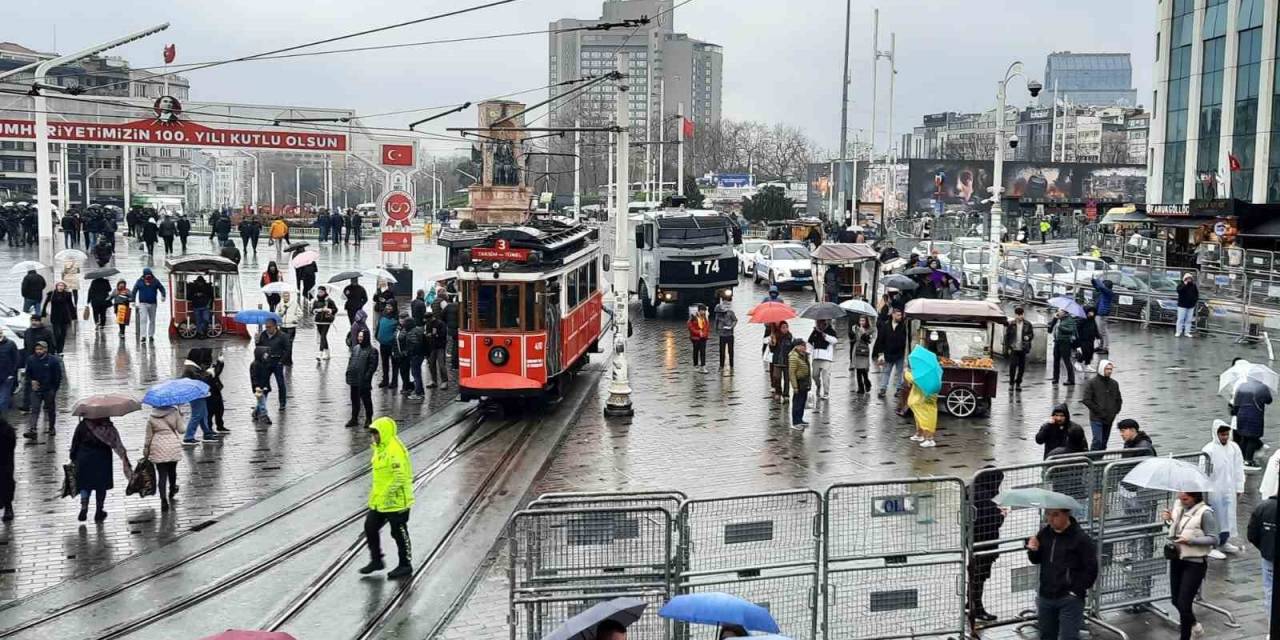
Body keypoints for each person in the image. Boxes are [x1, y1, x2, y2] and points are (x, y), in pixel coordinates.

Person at [1027, 507, 1098, 640]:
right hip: (1046, 595)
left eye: (1055, 515)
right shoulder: (1044, 534)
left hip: (1069, 598)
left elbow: (1091, 569)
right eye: (1048, 514)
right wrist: (1033, 549)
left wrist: (1076, 590)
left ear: (1066, 515)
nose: (1050, 519)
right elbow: (1035, 560)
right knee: (1046, 635)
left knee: (1068, 636)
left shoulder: (1081, 539)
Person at [359, 416, 413, 579]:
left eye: (375, 433)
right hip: (380, 501)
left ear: (383, 433)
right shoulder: (380, 447)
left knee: (399, 532)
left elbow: (401, 477)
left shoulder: (394, 450)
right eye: (372, 434)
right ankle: (376, 560)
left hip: (396, 501)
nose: (373, 437)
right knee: (370, 527)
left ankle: (405, 565)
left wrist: (388, 493)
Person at [1162, 492, 1219, 640]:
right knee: (1176, 600)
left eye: (1185, 499)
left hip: (1195, 562)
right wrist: (1168, 521)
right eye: (1180, 498)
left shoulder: (1205, 513)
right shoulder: (1178, 507)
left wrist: (1191, 540)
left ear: (1195, 497)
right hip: (1177, 559)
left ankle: (1185, 637)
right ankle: (1195, 626)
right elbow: (1177, 529)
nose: (1182, 501)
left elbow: (1214, 539)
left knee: (1184, 602)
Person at [70, 417, 131, 523]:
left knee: (85, 484)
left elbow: (75, 442)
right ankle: (99, 510)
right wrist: (124, 457)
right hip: (102, 458)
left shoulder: (83, 425)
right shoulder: (108, 427)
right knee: (100, 485)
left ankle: (84, 506)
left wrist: (73, 456)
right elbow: (116, 442)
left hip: (84, 458)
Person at [1201, 419, 1246, 560]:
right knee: (1214, 519)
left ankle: (1224, 542)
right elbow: (1203, 472)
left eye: (1227, 434)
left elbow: (1239, 468)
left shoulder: (1234, 448)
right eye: (1222, 435)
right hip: (1214, 491)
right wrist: (1204, 493)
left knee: (1227, 518)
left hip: (1229, 490)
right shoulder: (1208, 450)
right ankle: (1211, 546)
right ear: (1216, 434)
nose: (1225, 437)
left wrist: (1239, 487)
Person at [968, 467, 1006, 625]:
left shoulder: (971, 490)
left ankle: (971, 602)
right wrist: (1001, 515)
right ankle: (977, 607)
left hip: (972, 540)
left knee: (974, 573)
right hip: (984, 542)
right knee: (980, 575)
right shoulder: (984, 498)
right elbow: (991, 521)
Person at [143, 405, 183, 511]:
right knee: (172, 470)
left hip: (158, 446)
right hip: (172, 445)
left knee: (162, 475)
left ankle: (163, 500)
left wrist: (146, 450)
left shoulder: (152, 417)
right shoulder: (174, 412)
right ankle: (172, 488)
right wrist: (180, 417)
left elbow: (148, 437)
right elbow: (182, 430)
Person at [1246, 485, 1277, 619]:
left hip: (1269, 556)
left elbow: (1252, 535)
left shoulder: (1263, 507)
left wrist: (1265, 547)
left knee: (1270, 591)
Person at [22, 341, 61, 439]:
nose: (38, 351)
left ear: (46, 349)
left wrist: (54, 389)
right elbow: (28, 374)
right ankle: (33, 429)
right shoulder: (31, 359)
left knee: (51, 409)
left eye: (41, 349)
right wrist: (32, 381)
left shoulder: (53, 361)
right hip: (36, 389)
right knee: (34, 409)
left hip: (49, 389)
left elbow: (58, 376)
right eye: (37, 349)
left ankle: (52, 427)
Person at [1232, 376, 1272, 469]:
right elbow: (1269, 400)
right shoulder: (1262, 387)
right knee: (1253, 438)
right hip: (1255, 415)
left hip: (1242, 414)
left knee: (1244, 438)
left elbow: (1236, 402)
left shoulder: (1242, 386)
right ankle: (1248, 461)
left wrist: (1236, 412)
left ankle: (1241, 459)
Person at [1081, 360, 1121, 450]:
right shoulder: (1092, 383)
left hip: (1109, 418)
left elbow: (1118, 399)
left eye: (1111, 369)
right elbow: (1086, 400)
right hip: (1097, 418)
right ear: (1102, 369)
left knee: (1104, 442)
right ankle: (1092, 460)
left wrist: (1115, 411)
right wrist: (1099, 411)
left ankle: (1100, 461)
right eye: (1107, 369)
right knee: (1097, 441)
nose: (1109, 371)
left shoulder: (1114, 383)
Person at [180, 359, 218, 446]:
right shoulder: (191, 368)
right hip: (195, 394)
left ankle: (207, 433)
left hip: (199, 393)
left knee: (203, 413)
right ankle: (188, 437)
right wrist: (209, 373)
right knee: (197, 415)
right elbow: (200, 379)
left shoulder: (192, 367)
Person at [873, 304, 907, 398]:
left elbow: (905, 340)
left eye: (901, 315)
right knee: (886, 372)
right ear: (893, 315)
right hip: (888, 353)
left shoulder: (903, 326)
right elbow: (881, 340)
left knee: (899, 372)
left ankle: (899, 389)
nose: (900, 317)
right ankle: (883, 389)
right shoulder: (885, 326)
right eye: (898, 315)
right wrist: (881, 353)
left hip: (899, 354)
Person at [256, 319, 291, 410]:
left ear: (275, 326)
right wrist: (257, 341)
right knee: (263, 384)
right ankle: (261, 404)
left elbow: (288, 350)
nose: (267, 329)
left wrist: (281, 361)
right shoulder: (263, 335)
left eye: (269, 327)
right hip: (266, 362)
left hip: (277, 362)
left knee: (280, 383)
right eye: (266, 327)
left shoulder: (282, 336)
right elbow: (259, 348)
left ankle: (282, 403)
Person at [346, 330, 378, 427]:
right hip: (354, 379)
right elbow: (351, 361)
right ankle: (354, 418)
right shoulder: (356, 348)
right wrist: (348, 372)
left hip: (363, 380)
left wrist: (367, 376)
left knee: (366, 400)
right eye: (359, 336)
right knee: (354, 399)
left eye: (362, 337)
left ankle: (368, 418)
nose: (360, 338)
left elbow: (373, 366)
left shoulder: (372, 350)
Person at [905, 365, 939, 448]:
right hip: (919, 402)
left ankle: (929, 439)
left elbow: (914, 380)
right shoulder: (931, 373)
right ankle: (920, 434)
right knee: (919, 418)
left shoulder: (926, 376)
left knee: (925, 419)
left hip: (924, 402)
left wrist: (906, 372)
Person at [130, 267, 166, 343]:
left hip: (153, 303)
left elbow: (162, 288)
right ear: (144, 275)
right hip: (143, 303)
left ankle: (151, 335)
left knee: (152, 320)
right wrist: (132, 300)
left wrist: (163, 295)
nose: (148, 277)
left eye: (149, 275)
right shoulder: (139, 281)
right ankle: (143, 336)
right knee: (143, 319)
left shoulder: (155, 281)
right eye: (146, 275)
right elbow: (134, 291)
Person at [40, 281, 76, 355]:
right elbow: (45, 304)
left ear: (64, 287)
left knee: (63, 334)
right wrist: (43, 314)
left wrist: (73, 316)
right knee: (57, 334)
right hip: (55, 316)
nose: (60, 287)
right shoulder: (52, 294)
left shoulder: (67, 294)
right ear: (56, 286)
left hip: (65, 317)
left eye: (62, 285)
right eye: (59, 285)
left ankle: (60, 350)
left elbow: (71, 305)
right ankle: (55, 348)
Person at [1004, 306, 1034, 391]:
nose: (1020, 316)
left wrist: (1028, 337)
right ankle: (1011, 383)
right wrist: (1007, 348)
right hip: (1014, 348)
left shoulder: (1028, 324)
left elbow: (1031, 335)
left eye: (1021, 314)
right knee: (1012, 367)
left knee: (1021, 367)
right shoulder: (1011, 324)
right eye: (1018, 315)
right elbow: (1007, 337)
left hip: (1023, 348)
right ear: (1015, 315)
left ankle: (1018, 383)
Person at [1047, 309, 1078, 386]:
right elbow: (1049, 330)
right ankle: (1055, 378)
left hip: (1065, 342)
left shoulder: (1069, 320)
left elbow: (1071, 330)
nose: (1058, 312)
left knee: (1066, 360)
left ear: (1065, 313)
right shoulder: (1057, 319)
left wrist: (1060, 327)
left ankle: (1071, 379)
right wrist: (1054, 320)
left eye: (1060, 311)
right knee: (1056, 360)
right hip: (1057, 341)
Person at [808, 319, 837, 400]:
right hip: (816, 357)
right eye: (817, 322)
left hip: (826, 358)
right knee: (814, 375)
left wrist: (826, 336)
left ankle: (826, 393)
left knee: (826, 377)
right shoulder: (815, 331)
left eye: (820, 322)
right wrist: (807, 352)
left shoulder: (830, 330)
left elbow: (835, 341)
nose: (819, 324)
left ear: (825, 322)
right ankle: (818, 385)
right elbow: (810, 342)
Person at [788, 339, 811, 430]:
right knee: (797, 402)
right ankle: (795, 422)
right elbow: (792, 373)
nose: (804, 347)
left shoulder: (803, 355)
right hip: (799, 381)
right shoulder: (794, 357)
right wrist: (795, 387)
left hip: (804, 381)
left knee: (802, 402)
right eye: (802, 346)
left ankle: (800, 419)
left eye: (804, 346)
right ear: (797, 346)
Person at [376, 303, 399, 389]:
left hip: (393, 346)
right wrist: (377, 336)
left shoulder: (396, 317)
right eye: (387, 306)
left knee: (394, 364)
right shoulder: (383, 315)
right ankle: (385, 380)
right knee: (384, 363)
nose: (388, 307)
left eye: (390, 306)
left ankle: (394, 381)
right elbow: (378, 327)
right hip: (383, 345)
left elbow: (398, 331)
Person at [849, 315, 875, 394]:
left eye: (863, 321)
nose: (861, 322)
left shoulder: (870, 329)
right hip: (856, 349)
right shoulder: (856, 328)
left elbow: (869, 341)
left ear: (866, 321)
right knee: (858, 369)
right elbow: (852, 339)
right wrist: (852, 332)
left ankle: (867, 383)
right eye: (860, 321)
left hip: (864, 350)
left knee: (864, 369)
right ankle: (861, 388)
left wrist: (864, 333)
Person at [769, 322, 794, 401]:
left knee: (787, 379)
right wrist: (772, 343)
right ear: (780, 328)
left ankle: (786, 394)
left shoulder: (790, 337)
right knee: (777, 378)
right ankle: (778, 392)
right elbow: (772, 350)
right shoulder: (775, 336)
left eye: (786, 327)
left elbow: (792, 349)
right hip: (777, 361)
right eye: (783, 327)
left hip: (787, 362)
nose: (785, 329)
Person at [713, 292, 737, 373]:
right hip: (722, 335)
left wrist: (731, 326)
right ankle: (721, 366)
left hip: (730, 334)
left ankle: (732, 365)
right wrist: (716, 330)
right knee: (721, 351)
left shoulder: (730, 312)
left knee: (731, 351)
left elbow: (735, 320)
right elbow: (716, 322)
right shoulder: (718, 315)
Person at [249, 347, 274, 425]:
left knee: (262, 401)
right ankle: (264, 416)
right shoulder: (255, 365)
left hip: (265, 386)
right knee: (262, 402)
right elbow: (254, 377)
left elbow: (268, 374)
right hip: (259, 388)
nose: (266, 355)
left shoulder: (266, 363)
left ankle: (255, 412)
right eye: (265, 354)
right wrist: (256, 386)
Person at [425, 309, 449, 388]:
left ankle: (444, 381)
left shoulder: (440, 324)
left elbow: (443, 334)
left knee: (441, 365)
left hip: (440, 347)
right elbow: (428, 333)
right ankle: (433, 380)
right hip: (432, 347)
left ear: (431, 318)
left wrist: (434, 335)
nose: (427, 321)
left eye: (428, 319)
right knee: (431, 364)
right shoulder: (428, 324)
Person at [313, 286, 338, 361]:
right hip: (318, 321)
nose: (320, 293)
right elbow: (312, 310)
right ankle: (328, 353)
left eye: (321, 292)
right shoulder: (316, 300)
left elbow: (335, 309)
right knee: (323, 337)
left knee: (323, 336)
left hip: (326, 321)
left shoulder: (329, 300)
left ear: (324, 292)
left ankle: (320, 353)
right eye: (319, 292)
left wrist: (329, 310)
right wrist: (318, 310)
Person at [277, 291, 301, 366]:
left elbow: (300, 313)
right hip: (282, 326)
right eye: (285, 296)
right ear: (282, 297)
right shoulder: (280, 305)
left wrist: (295, 319)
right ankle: (285, 359)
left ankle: (288, 360)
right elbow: (276, 314)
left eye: (287, 296)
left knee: (289, 344)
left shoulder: (294, 304)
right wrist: (280, 315)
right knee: (283, 344)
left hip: (291, 326)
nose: (286, 297)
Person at [1091, 277, 1114, 353]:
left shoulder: (1108, 292)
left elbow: (1101, 287)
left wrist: (1096, 280)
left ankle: (1105, 348)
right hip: (1099, 313)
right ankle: (1101, 346)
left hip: (1103, 314)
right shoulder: (1104, 292)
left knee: (1103, 332)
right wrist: (1093, 282)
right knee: (1100, 331)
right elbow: (1098, 287)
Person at [687, 304, 710, 373]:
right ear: (699, 311)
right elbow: (690, 327)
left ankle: (703, 366)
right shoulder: (693, 317)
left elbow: (707, 326)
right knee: (696, 351)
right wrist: (698, 332)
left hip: (703, 337)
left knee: (703, 352)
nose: (703, 312)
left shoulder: (705, 317)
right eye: (702, 311)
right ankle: (695, 365)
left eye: (704, 311)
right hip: (695, 338)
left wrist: (704, 333)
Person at [1176, 273, 1199, 338]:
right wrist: (1184, 285)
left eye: (1190, 278)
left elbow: (1196, 294)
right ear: (1185, 279)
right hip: (1182, 305)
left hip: (1191, 305)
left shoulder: (1193, 285)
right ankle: (1178, 332)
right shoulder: (1181, 284)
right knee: (1180, 319)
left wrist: (1194, 301)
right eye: (1187, 278)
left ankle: (1187, 332)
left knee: (1189, 320)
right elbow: (1179, 291)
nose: (1189, 280)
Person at [1075, 307, 1098, 371]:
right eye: (1090, 312)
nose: (1091, 313)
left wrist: (1098, 336)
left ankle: (1087, 365)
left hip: (1091, 339)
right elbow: (1077, 329)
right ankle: (1078, 363)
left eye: (1093, 312)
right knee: (1084, 351)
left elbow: (1095, 328)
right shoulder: (1083, 319)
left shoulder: (1093, 320)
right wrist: (1078, 339)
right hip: (1083, 339)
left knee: (1090, 352)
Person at [0, 331, 18, 413]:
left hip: (6, 377)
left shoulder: (11, 344)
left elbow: (16, 360)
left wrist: (11, 374)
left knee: (3, 400)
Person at [0, 418, 12, 522]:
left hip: (4, 461)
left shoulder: (5, 428)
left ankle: (8, 507)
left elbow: (11, 444)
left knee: (6, 483)